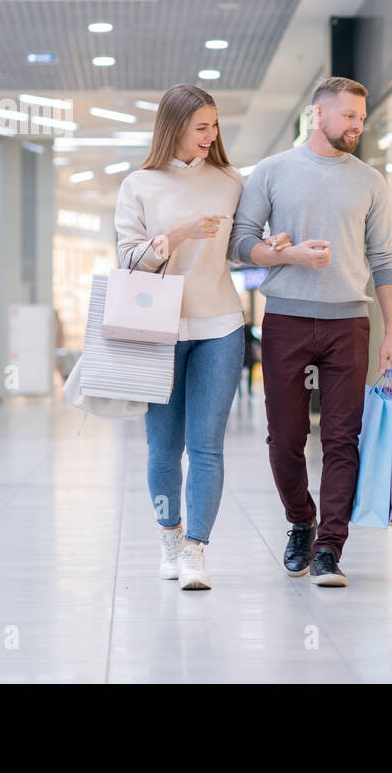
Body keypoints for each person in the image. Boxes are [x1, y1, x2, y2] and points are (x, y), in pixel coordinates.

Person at [230, 76, 392, 588]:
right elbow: (240, 245)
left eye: (361, 119)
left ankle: (330, 546)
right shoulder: (273, 171)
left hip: (349, 320)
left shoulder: (370, 180)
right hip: (285, 317)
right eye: (348, 116)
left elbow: (385, 259)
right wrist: (285, 254)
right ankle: (300, 522)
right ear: (317, 115)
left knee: (342, 438)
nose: (356, 126)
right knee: (285, 437)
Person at [113, 83, 249, 590]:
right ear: (173, 127)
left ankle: (196, 550)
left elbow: (240, 246)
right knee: (162, 448)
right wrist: (175, 236)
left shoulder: (231, 180)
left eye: (214, 126)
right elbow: (128, 259)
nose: (210, 136)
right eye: (201, 127)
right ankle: (169, 537)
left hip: (220, 326)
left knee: (207, 446)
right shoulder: (139, 184)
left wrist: (269, 246)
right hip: (157, 330)